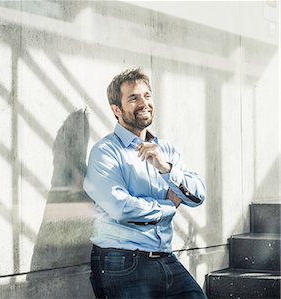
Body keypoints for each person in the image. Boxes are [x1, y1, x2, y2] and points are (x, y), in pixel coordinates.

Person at [83, 67, 207, 299]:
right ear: (116, 110)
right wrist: (169, 206)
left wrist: (166, 169)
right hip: (121, 261)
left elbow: (198, 195)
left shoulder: (166, 150)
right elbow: (120, 208)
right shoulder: (105, 152)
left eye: (147, 96)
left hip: (165, 257)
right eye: (133, 98)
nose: (144, 103)